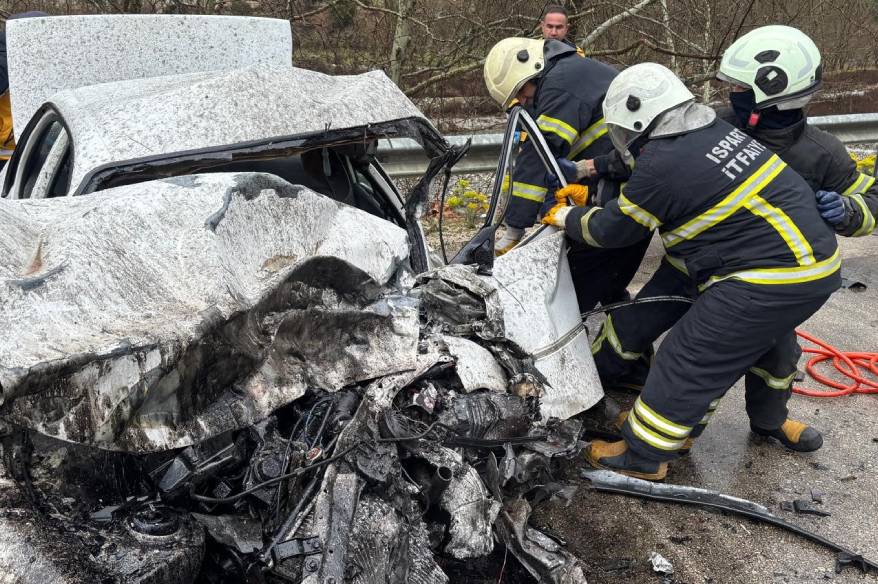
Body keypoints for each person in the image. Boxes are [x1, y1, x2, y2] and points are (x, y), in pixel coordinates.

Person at [542, 62, 841, 480]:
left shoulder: (662, 163)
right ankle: (714, 425)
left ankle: (644, 456)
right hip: (802, 267)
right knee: (767, 346)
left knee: (689, 355)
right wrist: (589, 170)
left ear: (638, 121)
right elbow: (642, 163)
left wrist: (566, 216)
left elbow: (613, 230)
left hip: (763, 276)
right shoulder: (711, 130)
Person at [590, 25, 874, 453]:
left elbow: (871, 200)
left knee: (771, 354)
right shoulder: (716, 123)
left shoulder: (821, 152)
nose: (732, 93)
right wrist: (591, 169)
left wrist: (850, 212)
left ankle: (764, 422)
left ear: (772, 91)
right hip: (690, 263)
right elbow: (651, 153)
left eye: (740, 87)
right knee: (632, 326)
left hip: (759, 276)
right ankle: (593, 391)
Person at [484, 37, 648, 312]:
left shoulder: (560, 85)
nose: (522, 100)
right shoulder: (569, 72)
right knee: (608, 288)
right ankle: (623, 332)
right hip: (625, 186)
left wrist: (514, 228)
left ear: (531, 69)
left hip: (626, 196)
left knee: (566, 301)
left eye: (521, 92)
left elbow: (540, 152)